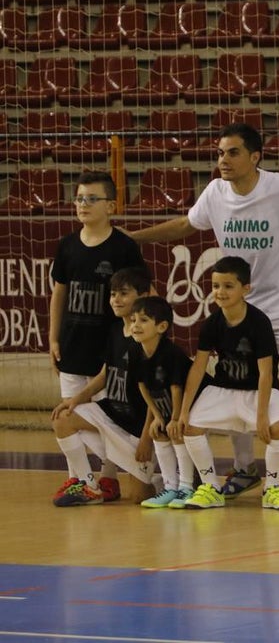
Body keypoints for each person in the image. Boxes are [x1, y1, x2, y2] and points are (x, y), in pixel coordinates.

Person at [130, 123, 279, 503]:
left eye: (233, 152)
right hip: (238, 305)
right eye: (220, 153)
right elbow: (183, 225)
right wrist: (131, 238)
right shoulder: (215, 193)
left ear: (255, 156)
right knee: (236, 382)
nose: (223, 159)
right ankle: (245, 469)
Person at [50, 171, 147, 499]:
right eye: (79, 198)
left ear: (111, 205)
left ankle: (108, 477)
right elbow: (59, 294)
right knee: (68, 413)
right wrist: (53, 337)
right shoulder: (67, 246)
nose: (83, 204)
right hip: (72, 345)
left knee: (108, 417)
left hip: (108, 349)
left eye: (92, 198)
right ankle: (79, 478)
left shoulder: (124, 246)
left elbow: (143, 294)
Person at [177, 256, 279, 511]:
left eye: (228, 286)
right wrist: (184, 410)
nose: (220, 292)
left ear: (246, 289)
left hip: (258, 390)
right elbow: (198, 367)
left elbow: (266, 373)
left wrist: (262, 415)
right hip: (224, 388)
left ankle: (273, 487)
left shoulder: (259, 322)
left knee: (278, 430)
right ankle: (211, 487)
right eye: (216, 286)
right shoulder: (212, 323)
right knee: (190, 428)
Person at [50, 267, 153, 506]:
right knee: (63, 417)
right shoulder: (116, 330)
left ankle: (169, 482)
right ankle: (89, 485)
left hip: (136, 429)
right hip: (110, 414)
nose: (116, 299)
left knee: (140, 497)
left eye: (124, 294)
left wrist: (147, 439)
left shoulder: (148, 339)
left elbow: (155, 395)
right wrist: (77, 399)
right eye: (113, 294)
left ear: (144, 295)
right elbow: (106, 373)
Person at [129, 296, 194, 509]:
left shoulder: (172, 353)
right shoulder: (137, 352)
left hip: (189, 406)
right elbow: (142, 387)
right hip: (165, 407)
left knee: (177, 435)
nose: (135, 325)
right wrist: (157, 417)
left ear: (162, 326)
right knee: (158, 433)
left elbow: (177, 389)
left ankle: (186, 487)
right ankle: (170, 487)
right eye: (133, 320)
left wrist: (174, 419)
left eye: (143, 320)